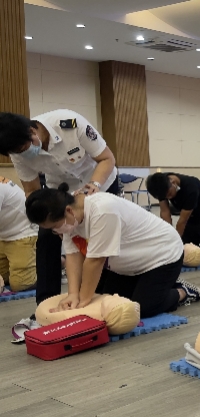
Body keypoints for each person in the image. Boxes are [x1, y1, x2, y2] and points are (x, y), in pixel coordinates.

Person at [0, 110, 120, 334]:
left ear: (32, 131)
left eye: (25, 148)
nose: (23, 154)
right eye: (16, 152)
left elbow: (107, 159)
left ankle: (96, 300)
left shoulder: (70, 125)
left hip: (100, 183)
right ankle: (45, 308)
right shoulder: (19, 152)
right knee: (46, 239)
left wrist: (94, 184)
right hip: (60, 194)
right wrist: (42, 218)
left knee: (100, 242)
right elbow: (32, 191)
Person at [24, 185, 200, 321]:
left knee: (143, 308)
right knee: (109, 300)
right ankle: (158, 285)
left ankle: (183, 291)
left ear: (68, 211)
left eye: (56, 226)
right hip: (128, 265)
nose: (57, 231)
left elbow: (95, 262)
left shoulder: (103, 210)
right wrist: (73, 294)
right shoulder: (70, 219)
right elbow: (73, 257)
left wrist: (82, 302)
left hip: (162, 256)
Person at [146, 172, 200, 262]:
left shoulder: (191, 188)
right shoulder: (160, 185)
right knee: (184, 251)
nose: (168, 197)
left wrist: (175, 240)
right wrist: (169, 235)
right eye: (165, 197)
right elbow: (165, 212)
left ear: (173, 182)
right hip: (192, 218)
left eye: (170, 195)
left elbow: (182, 221)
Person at [0, 176, 37, 292]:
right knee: (5, 278)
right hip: (3, 235)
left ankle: (54, 263)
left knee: (21, 284)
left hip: (22, 233)